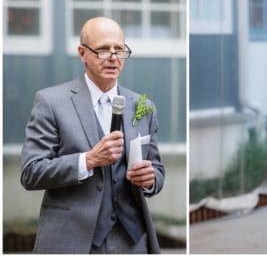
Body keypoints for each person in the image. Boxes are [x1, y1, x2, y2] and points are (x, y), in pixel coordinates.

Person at [21, 17, 164, 253]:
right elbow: (30, 173)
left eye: (119, 49)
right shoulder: (51, 102)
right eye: (103, 50)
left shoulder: (143, 105)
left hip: (134, 240)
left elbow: (157, 172)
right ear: (82, 53)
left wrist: (150, 179)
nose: (113, 57)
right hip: (74, 239)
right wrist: (88, 160)